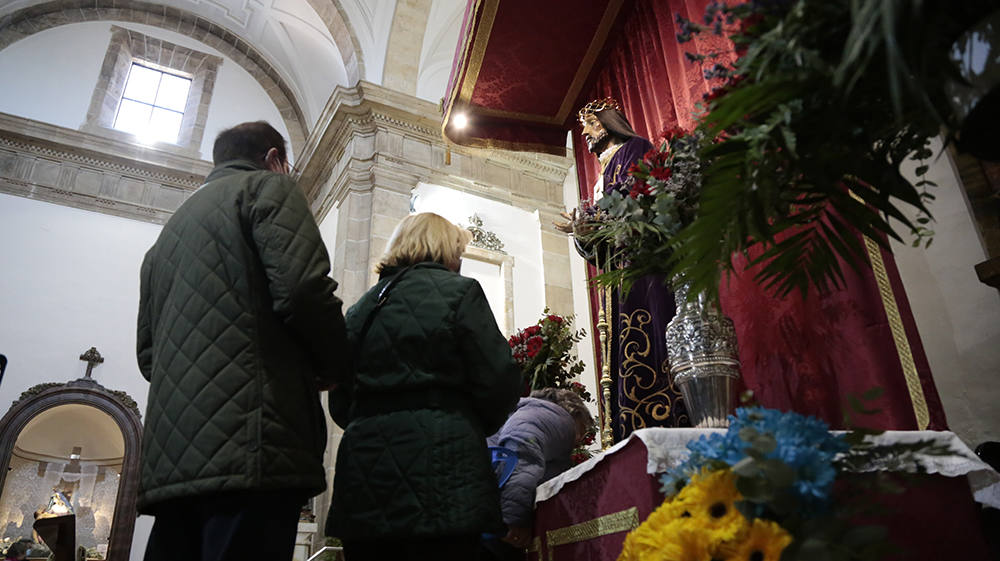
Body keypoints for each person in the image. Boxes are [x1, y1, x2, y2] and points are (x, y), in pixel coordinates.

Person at [136, 121, 348, 561]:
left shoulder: (165, 239)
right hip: (254, 440)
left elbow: (148, 355)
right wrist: (333, 367)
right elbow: (304, 289)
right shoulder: (267, 189)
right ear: (274, 159)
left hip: (173, 457)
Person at [327, 212, 522, 561]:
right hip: (443, 466)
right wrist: (468, 424)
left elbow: (340, 399)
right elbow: (498, 377)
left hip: (365, 470)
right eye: (458, 251)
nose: (460, 260)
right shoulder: (460, 292)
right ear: (445, 249)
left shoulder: (363, 307)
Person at [555, 98, 688, 441]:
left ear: (605, 123)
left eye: (588, 124)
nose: (584, 133)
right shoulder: (602, 171)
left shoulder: (634, 149)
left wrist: (588, 220)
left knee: (645, 333)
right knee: (624, 344)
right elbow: (603, 233)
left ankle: (664, 417)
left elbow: (632, 200)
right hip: (620, 269)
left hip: (643, 265)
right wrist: (582, 229)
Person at [482, 388, 594, 559]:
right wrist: (513, 518)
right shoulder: (555, 417)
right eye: (582, 429)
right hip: (496, 530)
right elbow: (521, 452)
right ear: (574, 414)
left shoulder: (529, 415)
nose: (579, 440)